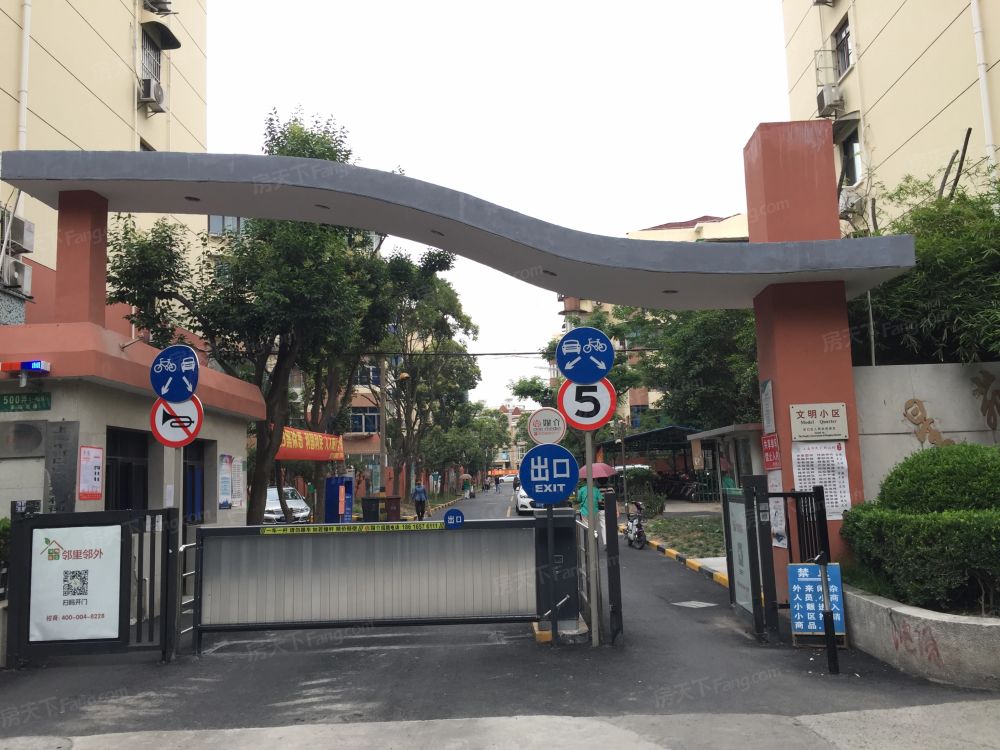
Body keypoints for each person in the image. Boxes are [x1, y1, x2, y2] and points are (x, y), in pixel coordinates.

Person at [576, 480, 606, 549]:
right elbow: (600, 500)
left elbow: (578, 499)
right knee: (594, 529)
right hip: (595, 512)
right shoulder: (596, 490)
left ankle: (589, 545)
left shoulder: (582, 489)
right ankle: (594, 544)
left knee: (587, 529)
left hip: (584, 512)